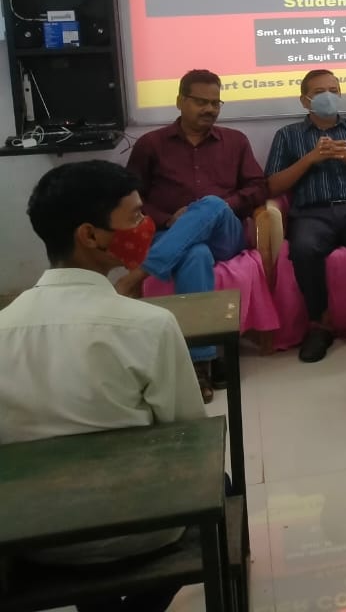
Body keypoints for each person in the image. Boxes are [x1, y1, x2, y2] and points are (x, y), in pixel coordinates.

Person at [0, 161, 205, 610]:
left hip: (31, 538)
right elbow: (190, 439)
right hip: (144, 529)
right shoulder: (148, 325)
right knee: (220, 484)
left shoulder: (3, 329)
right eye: (135, 216)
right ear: (90, 236)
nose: (145, 226)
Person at [120, 69, 267, 399]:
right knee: (195, 253)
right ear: (180, 101)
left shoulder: (235, 141)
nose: (210, 109)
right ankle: (201, 361)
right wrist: (168, 219)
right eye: (201, 102)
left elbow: (258, 188)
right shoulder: (151, 144)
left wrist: (222, 208)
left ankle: (137, 276)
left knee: (211, 204)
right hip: (169, 234)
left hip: (226, 235)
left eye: (215, 103)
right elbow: (132, 196)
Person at [265, 69, 346, 362]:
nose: (329, 96)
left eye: (334, 91)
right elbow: (272, 186)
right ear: (305, 100)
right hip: (312, 214)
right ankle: (319, 326)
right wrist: (310, 159)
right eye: (320, 92)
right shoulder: (287, 135)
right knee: (304, 248)